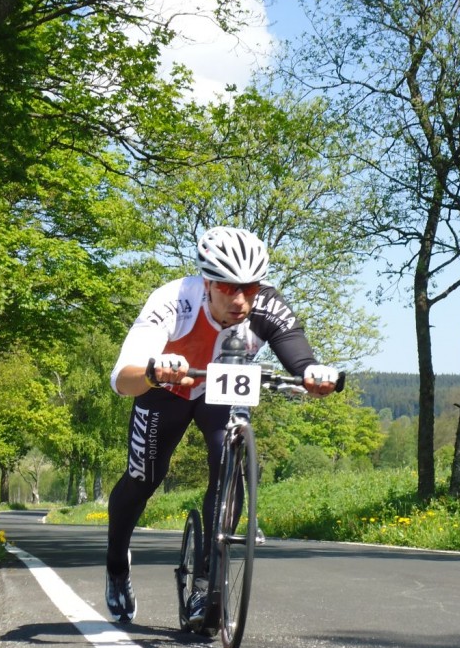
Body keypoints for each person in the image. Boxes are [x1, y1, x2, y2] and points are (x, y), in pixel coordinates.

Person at [105, 226, 339, 624]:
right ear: (207, 283)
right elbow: (122, 379)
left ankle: (207, 583)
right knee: (144, 479)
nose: (241, 299)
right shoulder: (172, 301)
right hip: (166, 390)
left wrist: (312, 373)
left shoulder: (265, 303)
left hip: (220, 390)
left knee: (228, 464)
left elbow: (295, 348)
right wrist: (152, 371)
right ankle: (116, 565)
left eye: (250, 287)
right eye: (229, 288)